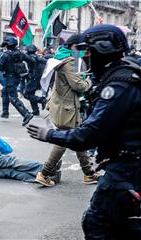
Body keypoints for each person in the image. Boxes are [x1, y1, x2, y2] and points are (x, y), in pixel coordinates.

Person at [27, 24, 141, 239]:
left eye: (88, 51)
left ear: (103, 49)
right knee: (113, 226)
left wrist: (49, 135)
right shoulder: (120, 74)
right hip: (130, 164)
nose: (85, 57)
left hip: (127, 167)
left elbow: (88, 135)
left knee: (98, 225)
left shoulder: (119, 84)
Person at [34, 34, 99, 187]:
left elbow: (81, 73)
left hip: (67, 107)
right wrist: (91, 81)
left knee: (77, 139)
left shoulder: (69, 57)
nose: (84, 50)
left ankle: (89, 174)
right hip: (66, 108)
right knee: (65, 141)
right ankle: (44, 173)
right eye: (81, 47)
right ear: (74, 46)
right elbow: (79, 85)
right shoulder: (68, 62)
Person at [0, 36, 34, 126]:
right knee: (5, 92)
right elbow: (31, 60)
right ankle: (5, 112)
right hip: (17, 77)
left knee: (13, 98)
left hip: (10, 78)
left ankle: (26, 114)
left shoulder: (5, 55)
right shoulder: (20, 53)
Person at [23, 44, 47, 116]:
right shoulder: (38, 57)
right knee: (31, 94)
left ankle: (41, 100)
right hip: (37, 78)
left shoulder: (31, 57)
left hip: (34, 78)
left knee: (26, 94)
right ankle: (35, 110)